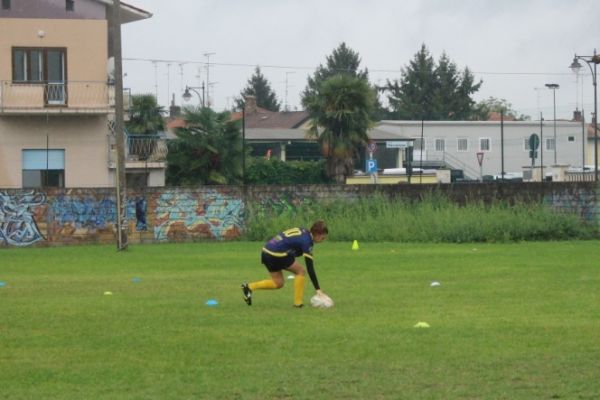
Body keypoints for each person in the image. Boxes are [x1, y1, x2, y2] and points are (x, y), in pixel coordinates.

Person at [241, 220, 329, 308]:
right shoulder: (307, 242)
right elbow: (310, 267)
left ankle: (249, 287)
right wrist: (318, 289)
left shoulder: (303, 231)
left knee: (278, 283)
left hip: (266, 251)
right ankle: (298, 303)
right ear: (317, 234)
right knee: (300, 271)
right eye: (322, 238)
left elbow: (290, 244)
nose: (323, 240)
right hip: (277, 254)